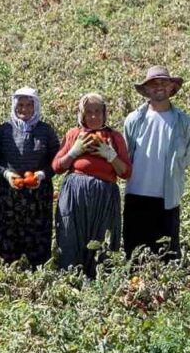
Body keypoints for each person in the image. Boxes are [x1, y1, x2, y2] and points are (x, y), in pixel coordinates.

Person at [53, 93, 132, 278]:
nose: (94, 116)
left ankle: (100, 280)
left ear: (104, 113)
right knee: (71, 236)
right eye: (89, 112)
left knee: (103, 238)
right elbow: (57, 167)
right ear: (82, 114)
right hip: (74, 196)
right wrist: (74, 152)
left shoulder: (114, 137)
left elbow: (126, 172)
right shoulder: (74, 135)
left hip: (104, 197)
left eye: (98, 111)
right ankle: (71, 279)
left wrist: (110, 155)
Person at [122, 67, 190, 260]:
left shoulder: (184, 122)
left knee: (167, 257)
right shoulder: (134, 119)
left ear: (172, 87)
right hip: (136, 195)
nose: (159, 87)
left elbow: (186, 158)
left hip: (167, 197)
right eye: (153, 83)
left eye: (164, 82)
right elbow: (126, 155)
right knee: (134, 256)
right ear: (146, 89)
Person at [0, 87, 60, 267]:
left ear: (36, 107)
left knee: (38, 239)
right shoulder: (4, 130)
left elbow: (57, 161)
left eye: (29, 105)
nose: (24, 109)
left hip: (38, 196)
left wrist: (42, 174)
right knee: (7, 241)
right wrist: (6, 173)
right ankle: (7, 272)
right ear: (14, 106)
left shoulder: (46, 131)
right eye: (20, 105)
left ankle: (38, 273)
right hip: (9, 196)